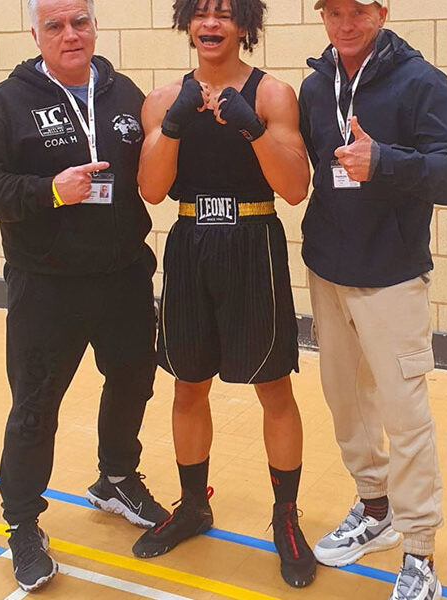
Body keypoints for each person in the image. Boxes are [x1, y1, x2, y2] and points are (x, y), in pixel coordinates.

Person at [0, 0, 169, 592]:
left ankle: (116, 478)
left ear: (94, 25)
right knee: (35, 405)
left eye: (80, 21)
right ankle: (23, 523)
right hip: (46, 285)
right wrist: (48, 190)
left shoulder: (125, 94)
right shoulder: (8, 102)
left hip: (125, 274)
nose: (70, 34)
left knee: (133, 381)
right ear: (36, 32)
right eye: (55, 24)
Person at [130, 0, 317, 588]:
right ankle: (193, 505)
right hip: (189, 241)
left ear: (245, 26)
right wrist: (179, 122)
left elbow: (294, 189)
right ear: (188, 23)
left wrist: (254, 128)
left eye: (224, 13)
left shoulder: (273, 94)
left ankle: (285, 518)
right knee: (188, 383)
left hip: (253, 238)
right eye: (201, 13)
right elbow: (152, 190)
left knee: (273, 386)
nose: (211, 24)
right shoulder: (163, 99)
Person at [299, 1, 447, 598]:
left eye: (356, 11)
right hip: (327, 272)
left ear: (380, 12)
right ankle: (375, 509)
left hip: (393, 277)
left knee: (406, 419)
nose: (343, 24)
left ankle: (420, 553)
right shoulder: (318, 84)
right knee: (346, 406)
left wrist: (387, 162)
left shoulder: (421, 82)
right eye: (332, 12)